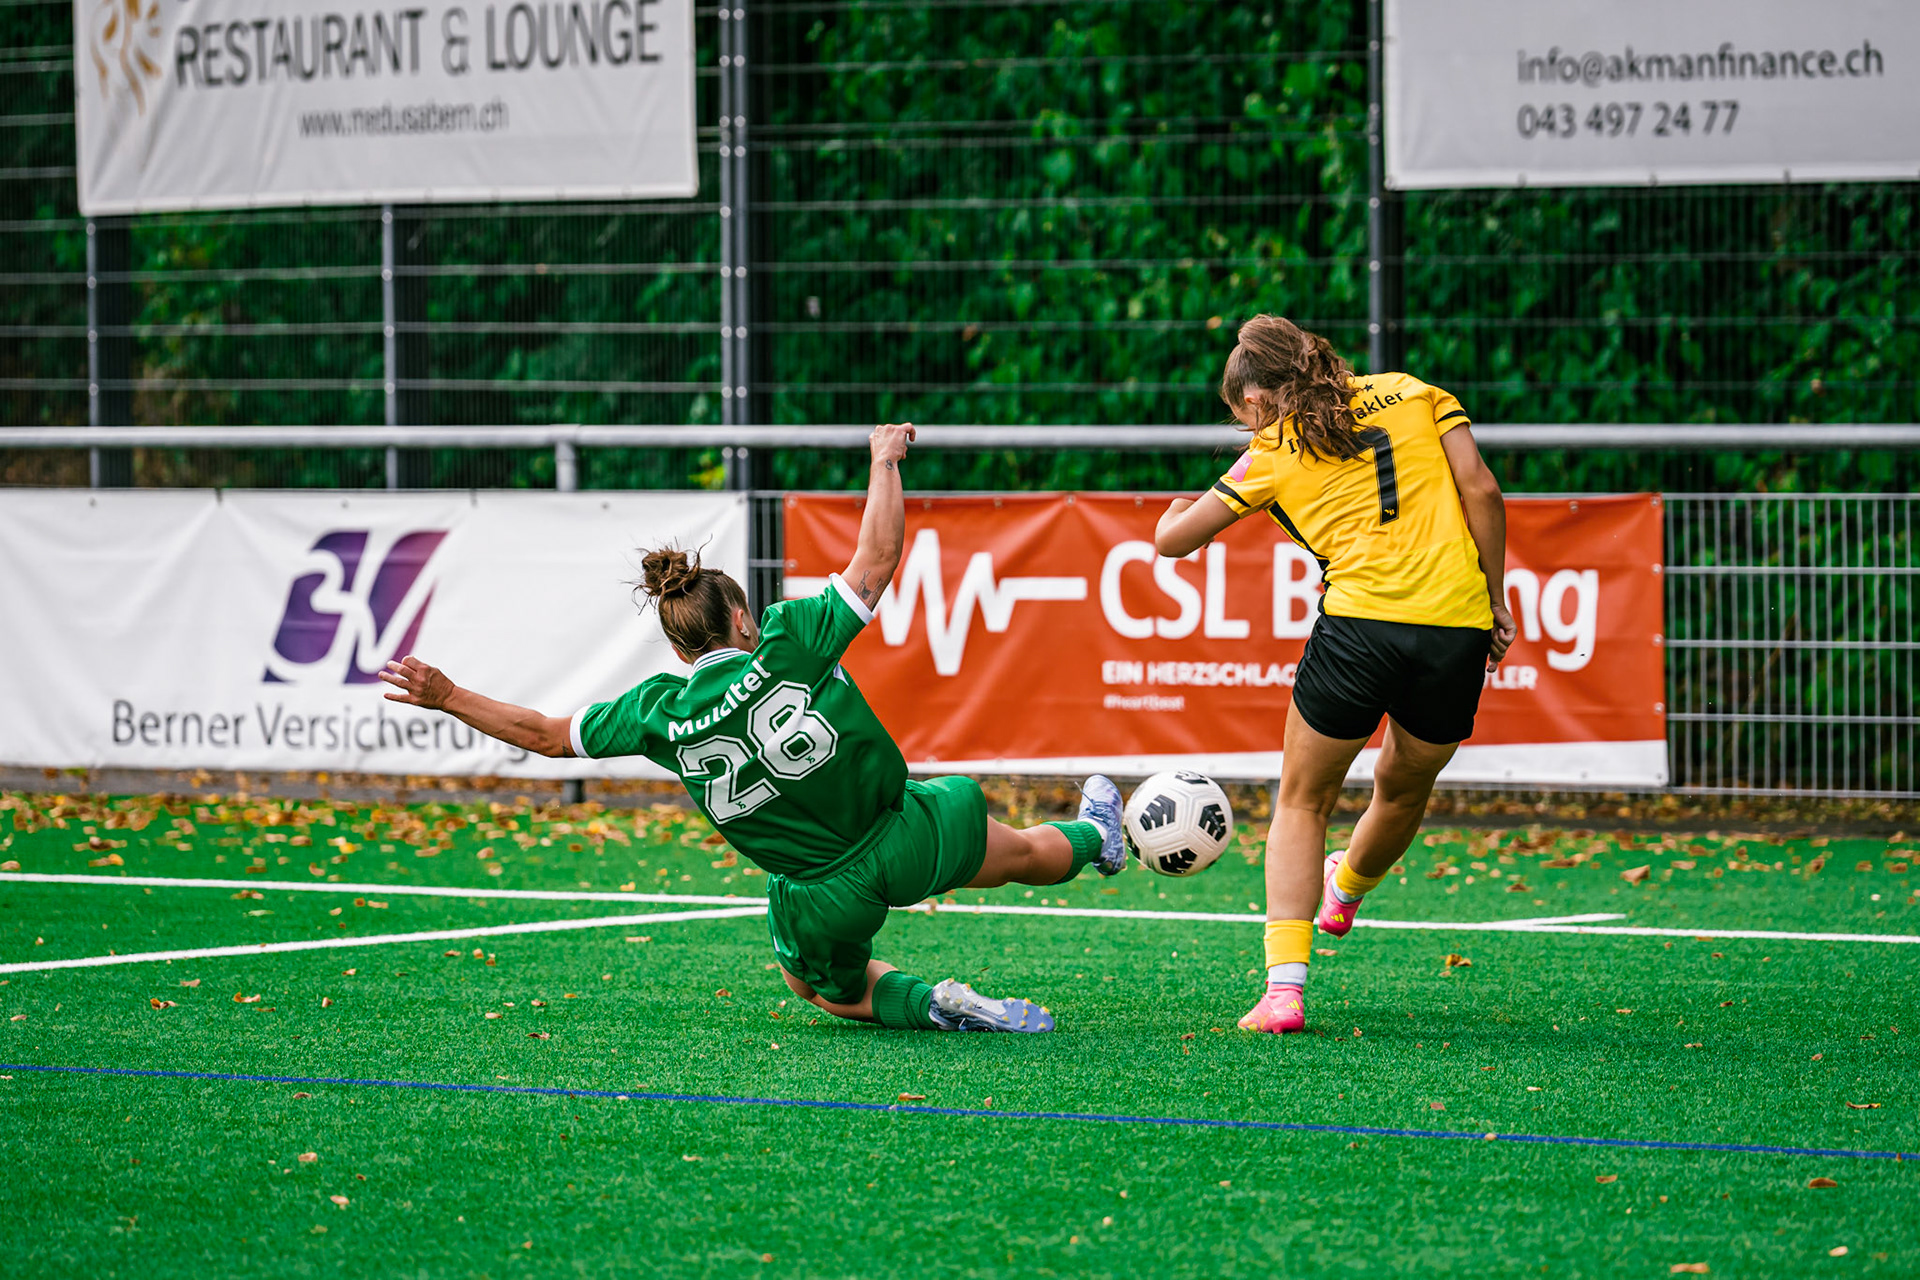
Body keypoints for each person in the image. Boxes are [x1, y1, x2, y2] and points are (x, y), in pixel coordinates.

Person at [379, 423, 1126, 1034]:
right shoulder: (789, 639)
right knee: (1025, 851)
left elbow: (542, 734)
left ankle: (934, 1004)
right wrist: (883, 462)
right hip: (904, 831)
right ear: (742, 618)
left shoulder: (655, 712)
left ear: (677, 651)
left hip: (821, 891)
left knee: (820, 990)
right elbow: (880, 557)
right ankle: (1099, 839)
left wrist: (447, 694)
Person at [1153, 316, 1517, 1034]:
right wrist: (1495, 596)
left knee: (1303, 800)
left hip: (1360, 630)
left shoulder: (1270, 450)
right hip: (1455, 630)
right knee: (1405, 787)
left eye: (1239, 414)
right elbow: (1483, 491)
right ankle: (1347, 889)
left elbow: (1174, 542)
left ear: (1255, 402)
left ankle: (1284, 991)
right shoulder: (1414, 393)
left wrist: (1171, 514)